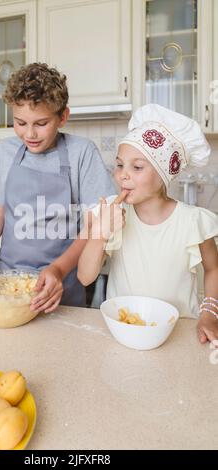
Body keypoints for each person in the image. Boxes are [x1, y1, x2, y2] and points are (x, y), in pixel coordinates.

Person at [0, 63, 115, 312]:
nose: (30, 134)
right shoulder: (5, 152)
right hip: (6, 287)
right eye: (20, 122)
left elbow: (94, 226)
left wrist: (59, 270)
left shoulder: (81, 152)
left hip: (61, 287)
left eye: (41, 123)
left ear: (63, 116)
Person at [78, 104, 218, 344]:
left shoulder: (193, 221)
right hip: (124, 331)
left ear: (164, 174)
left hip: (180, 332)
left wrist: (210, 314)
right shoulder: (113, 212)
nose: (123, 174)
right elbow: (84, 277)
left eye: (137, 167)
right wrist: (100, 233)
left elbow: (214, 269)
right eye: (120, 164)